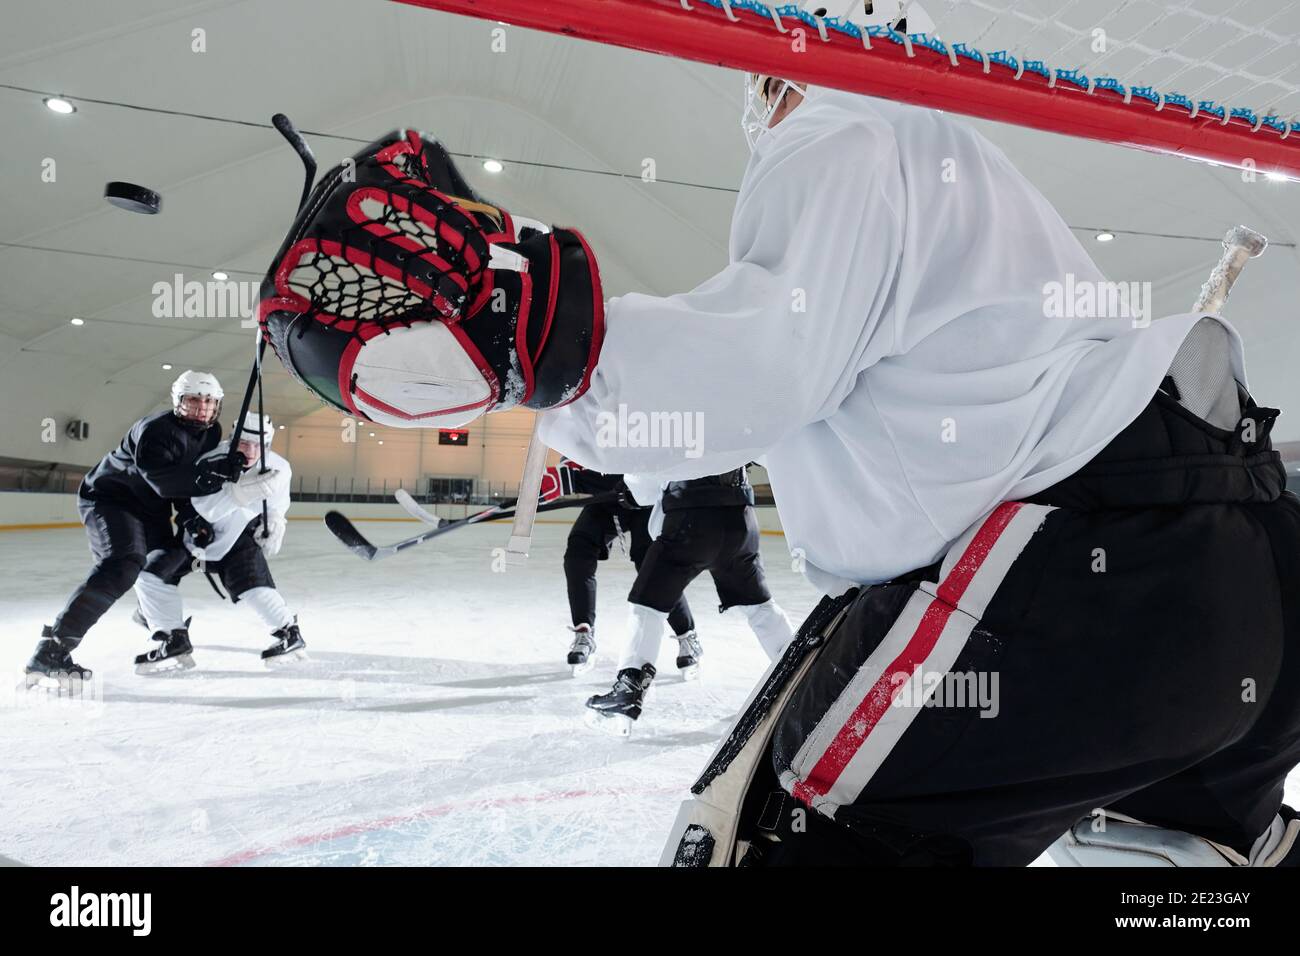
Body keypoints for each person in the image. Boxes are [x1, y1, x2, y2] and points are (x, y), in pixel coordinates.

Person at [255, 5, 1300, 867]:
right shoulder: (964, 168)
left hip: (1076, 581)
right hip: (1245, 572)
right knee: (1171, 865)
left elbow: (762, 367)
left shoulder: (845, 122)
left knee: (778, 836)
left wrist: (535, 344)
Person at [24, 371, 275, 687]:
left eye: (209, 401)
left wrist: (193, 516)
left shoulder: (212, 434)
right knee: (122, 565)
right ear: (178, 401)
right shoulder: (155, 431)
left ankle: (153, 617)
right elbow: (164, 482)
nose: (201, 408)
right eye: (194, 400)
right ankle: (52, 651)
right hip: (111, 499)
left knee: (169, 560)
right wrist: (215, 474)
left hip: (151, 506)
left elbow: (186, 486)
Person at [584, 468, 794, 736]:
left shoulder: (672, 423)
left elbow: (649, 473)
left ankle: (629, 686)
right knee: (759, 607)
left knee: (648, 605)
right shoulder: (734, 424)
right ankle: (801, 673)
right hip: (740, 521)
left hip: (690, 521)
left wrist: (632, 490)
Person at [132, 412, 303, 672]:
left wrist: (275, 524)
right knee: (151, 576)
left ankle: (288, 633)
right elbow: (200, 505)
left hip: (239, 538)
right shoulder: (210, 459)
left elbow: (278, 505)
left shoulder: (280, 467)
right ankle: (172, 637)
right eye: (244, 443)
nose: (251, 451)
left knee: (253, 586)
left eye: (259, 445)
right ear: (233, 440)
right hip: (197, 536)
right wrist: (238, 494)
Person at [540, 458, 695, 676]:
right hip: (608, 498)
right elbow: (583, 445)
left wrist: (575, 480)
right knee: (579, 551)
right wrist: (567, 468)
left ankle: (687, 635)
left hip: (645, 500)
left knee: (653, 566)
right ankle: (584, 631)